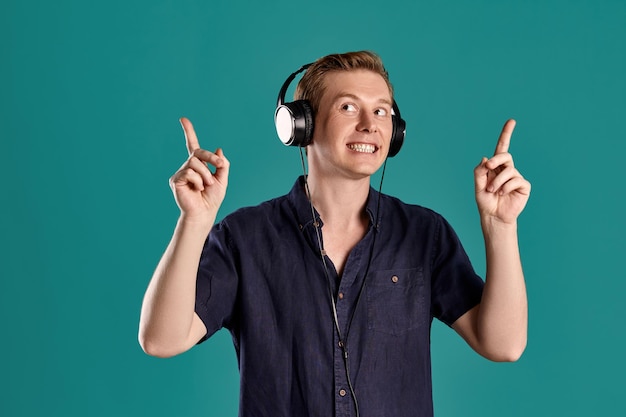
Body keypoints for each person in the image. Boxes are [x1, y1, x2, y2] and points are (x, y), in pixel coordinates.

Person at [138, 51, 531, 417]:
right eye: (348, 107)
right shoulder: (245, 236)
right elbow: (162, 340)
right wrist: (194, 222)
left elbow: (503, 344)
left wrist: (501, 227)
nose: (370, 124)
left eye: (381, 111)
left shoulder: (424, 234)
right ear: (299, 125)